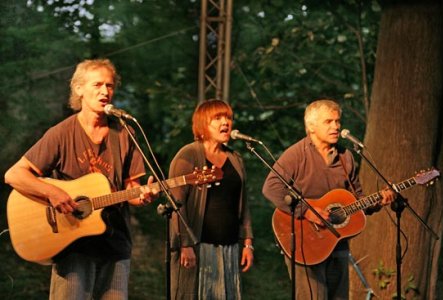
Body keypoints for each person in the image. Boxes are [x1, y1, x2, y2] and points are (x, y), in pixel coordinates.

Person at [4, 58, 158, 299]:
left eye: (109, 85)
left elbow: (132, 189)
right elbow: (14, 175)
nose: (105, 91)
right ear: (79, 89)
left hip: (115, 245)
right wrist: (52, 192)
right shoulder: (61, 133)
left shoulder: (125, 132)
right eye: (97, 85)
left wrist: (144, 196)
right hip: (72, 246)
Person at [262, 99, 395, 300]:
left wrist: (378, 201)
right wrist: (307, 212)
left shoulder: (346, 157)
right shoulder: (296, 154)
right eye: (329, 122)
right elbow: (271, 187)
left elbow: (356, 199)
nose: (336, 126)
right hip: (304, 242)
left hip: (337, 243)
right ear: (311, 126)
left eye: (337, 121)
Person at [169, 99, 254, 300]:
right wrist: (185, 244)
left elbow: (243, 204)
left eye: (228, 118)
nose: (225, 122)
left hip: (229, 247)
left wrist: (248, 243)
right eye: (218, 118)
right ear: (202, 124)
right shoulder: (188, 155)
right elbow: (176, 205)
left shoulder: (235, 158)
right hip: (198, 246)